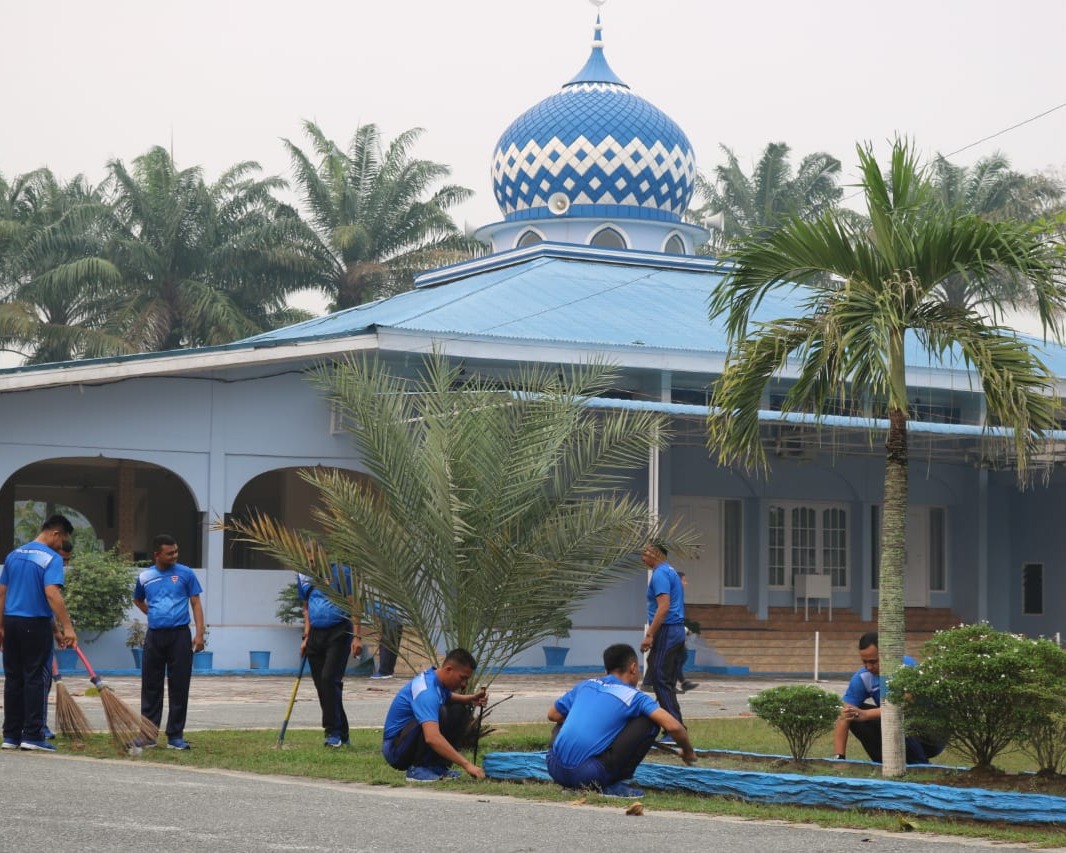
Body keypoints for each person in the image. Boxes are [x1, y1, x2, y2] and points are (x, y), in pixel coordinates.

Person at [547, 643, 697, 798]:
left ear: (607, 669)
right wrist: (688, 752)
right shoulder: (634, 696)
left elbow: (553, 715)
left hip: (554, 769)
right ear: (633, 668)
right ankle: (613, 785)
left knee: (562, 718)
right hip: (588, 775)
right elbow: (674, 727)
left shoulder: (586, 685)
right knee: (650, 721)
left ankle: (570, 782)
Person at [0, 514, 77, 752]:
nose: (61, 543)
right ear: (56, 533)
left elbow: (2, 593)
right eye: (63, 538)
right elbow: (52, 594)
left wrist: (0, 625)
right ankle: (33, 734)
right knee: (36, 678)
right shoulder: (50, 558)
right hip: (35, 623)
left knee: (14, 679)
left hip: (11, 622)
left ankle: (11, 736)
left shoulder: (14, 555)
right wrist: (68, 627)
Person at [133, 534, 205, 750]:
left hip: (180, 636)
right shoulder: (145, 576)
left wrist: (199, 634)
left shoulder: (186, 574)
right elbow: (138, 599)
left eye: (176, 551)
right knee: (151, 687)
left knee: (179, 686)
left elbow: (195, 603)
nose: (175, 555)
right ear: (157, 554)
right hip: (155, 636)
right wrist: (153, 613)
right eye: (170, 553)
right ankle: (148, 736)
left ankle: (175, 736)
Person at [832, 631, 945, 764]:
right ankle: (884, 764)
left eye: (873, 662)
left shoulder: (906, 666)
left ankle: (920, 765)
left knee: (897, 717)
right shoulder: (862, 677)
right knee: (852, 713)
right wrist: (839, 759)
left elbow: (905, 704)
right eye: (864, 662)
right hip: (897, 729)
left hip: (929, 733)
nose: (868, 667)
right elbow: (843, 717)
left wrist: (867, 714)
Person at [382, 647, 488, 782]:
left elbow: (446, 696)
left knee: (459, 710)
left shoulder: (435, 679)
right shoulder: (426, 691)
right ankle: (418, 770)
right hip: (395, 751)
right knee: (440, 713)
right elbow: (432, 737)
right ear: (449, 669)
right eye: (463, 678)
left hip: (405, 741)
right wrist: (467, 765)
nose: (464, 684)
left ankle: (437, 767)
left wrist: (470, 699)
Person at [297, 547, 363, 747]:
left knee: (329, 679)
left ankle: (332, 732)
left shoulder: (342, 573)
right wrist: (306, 635)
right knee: (324, 686)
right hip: (316, 634)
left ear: (324, 555)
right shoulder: (304, 576)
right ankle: (342, 733)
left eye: (314, 558)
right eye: (308, 559)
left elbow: (353, 604)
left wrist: (357, 637)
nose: (311, 562)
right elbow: (306, 607)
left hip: (339, 631)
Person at [639, 539, 686, 737]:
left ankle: (674, 729)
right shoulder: (670, 571)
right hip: (674, 631)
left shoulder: (660, 574)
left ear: (656, 554)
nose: (643, 557)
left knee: (660, 678)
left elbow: (664, 607)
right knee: (661, 678)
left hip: (667, 631)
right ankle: (666, 724)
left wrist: (650, 635)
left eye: (646, 553)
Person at [40, 538, 74, 741]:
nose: (64, 565)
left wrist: (56, 631)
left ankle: (16, 729)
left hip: (24, 625)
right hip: (33, 628)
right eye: (63, 559)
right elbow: (51, 597)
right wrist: (67, 627)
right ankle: (37, 728)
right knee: (40, 680)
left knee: (25, 680)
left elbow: (46, 605)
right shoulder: (47, 568)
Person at [676, 571, 698, 693]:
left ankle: (683, 682)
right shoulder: (675, 595)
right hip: (673, 631)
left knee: (681, 656)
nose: (686, 583)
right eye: (684, 580)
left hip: (677, 629)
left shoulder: (679, 595)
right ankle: (674, 683)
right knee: (678, 657)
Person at [370, 599, 402, 680]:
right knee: (393, 648)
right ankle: (388, 672)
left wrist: (380, 634)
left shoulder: (369, 606)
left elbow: (377, 620)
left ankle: (383, 672)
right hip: (398, 622)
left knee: (385, 646)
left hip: (390, 623)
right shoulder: (376, 602)